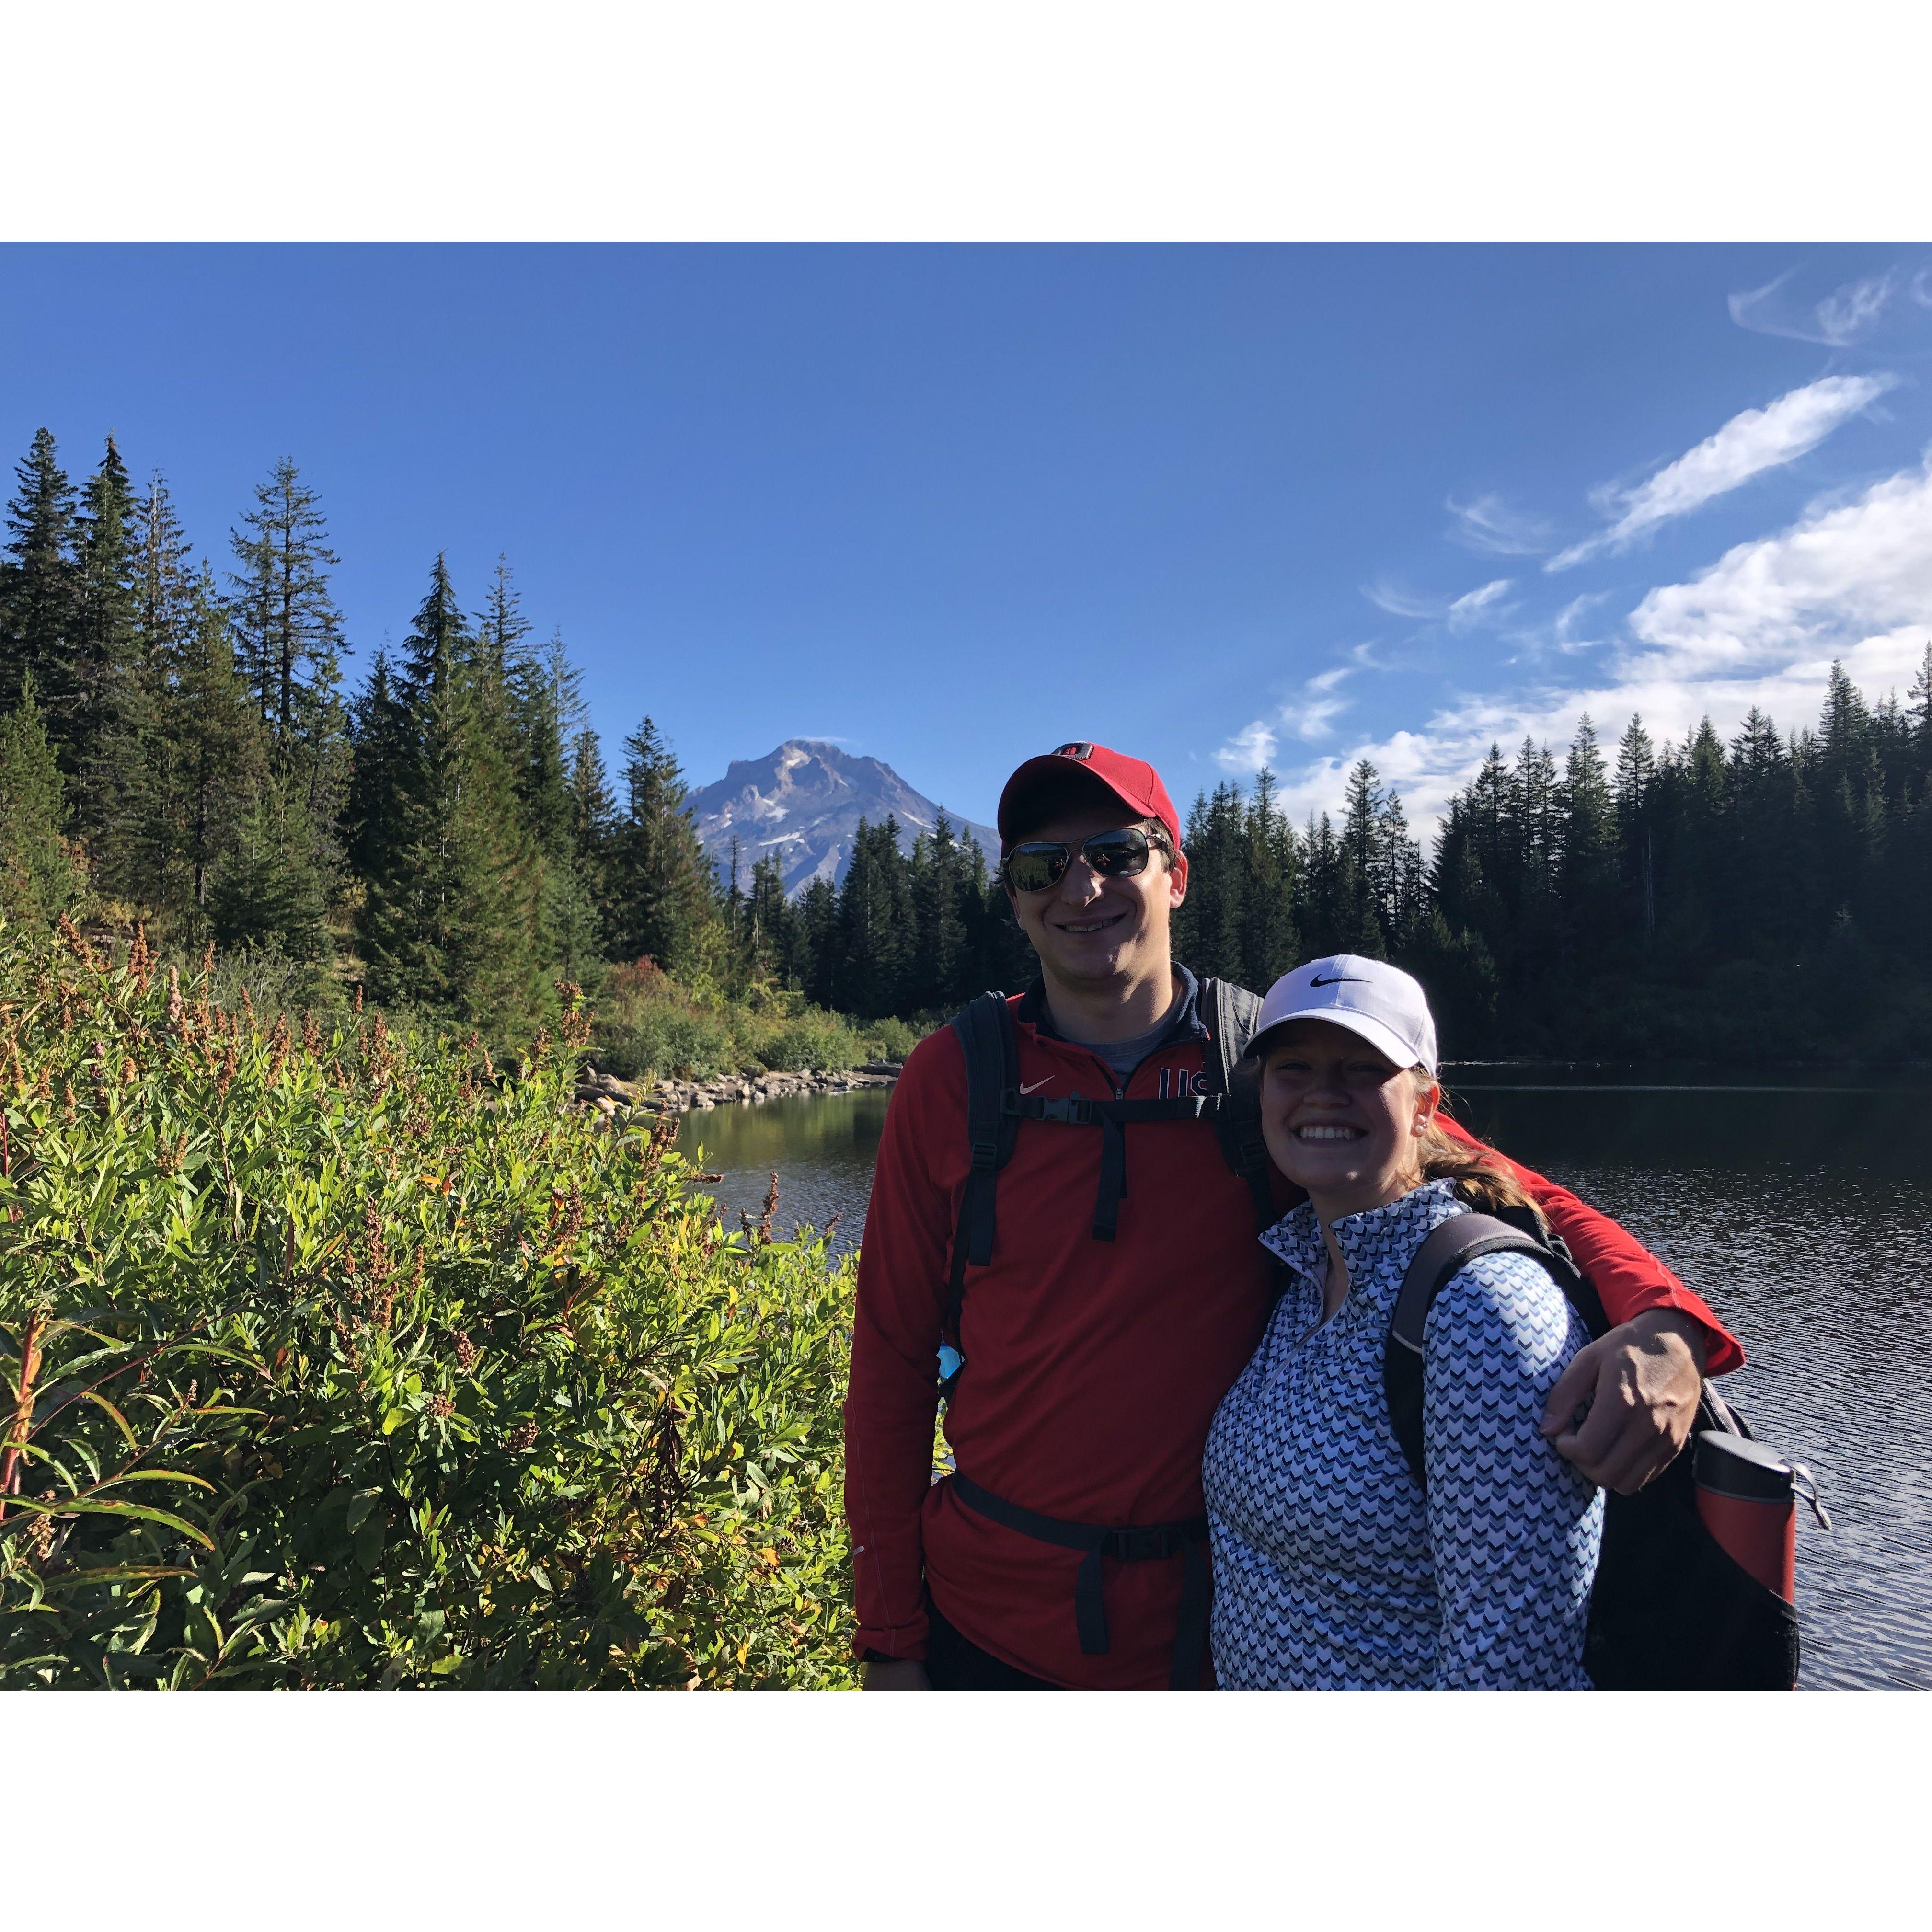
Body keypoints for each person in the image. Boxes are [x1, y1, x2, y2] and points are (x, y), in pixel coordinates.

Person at [846, 741, 1742, 1689]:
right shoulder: (957, 1079)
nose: (1082, 888)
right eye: (1043, 866)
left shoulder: (1262, 1067)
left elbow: (1515, 1192)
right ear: (1016, 893)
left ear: (1175, 874)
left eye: (1116, 854)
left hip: (1209, 1641)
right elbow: (894, 1363)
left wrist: (1663, 1324)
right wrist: (892, 1641)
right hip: (989, 1630)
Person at [1204, 956, 1600, 1688]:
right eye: (1294, 1068)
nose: (1323, 1095)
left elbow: (1515, 1664)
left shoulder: (1482, 1308)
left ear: (1424, 1105)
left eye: (1362, 1069)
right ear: (1262, 1095)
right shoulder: (1303, 1269)